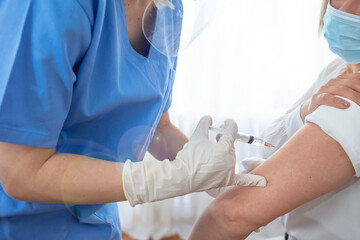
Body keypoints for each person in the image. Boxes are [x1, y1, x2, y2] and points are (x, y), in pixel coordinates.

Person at [0, 0, 265, 239]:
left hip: (93, 223)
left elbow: (158, 127)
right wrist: (169, 178)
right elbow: (20, 172)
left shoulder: (167, 9)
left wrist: (220, 175)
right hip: (18, 224)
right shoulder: (52, 7)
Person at [188, 0, 360, 239]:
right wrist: (305, 111)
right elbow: (271, 144)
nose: (344, 10)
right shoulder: (338, 70)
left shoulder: (350, 100)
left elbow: (229, 215)